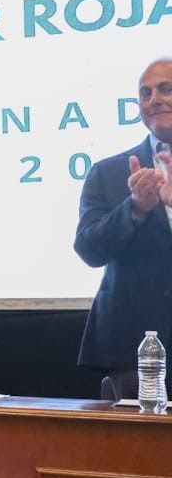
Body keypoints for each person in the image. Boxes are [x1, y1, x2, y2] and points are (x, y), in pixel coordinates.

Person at [75, 58, 172, 397]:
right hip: (137, 348)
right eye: (144, 94)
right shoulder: (109, 171)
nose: (153, 100)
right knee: (139, 450)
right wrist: (134, 209)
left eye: (165, 89)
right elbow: (88, 248)